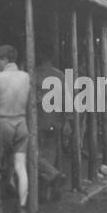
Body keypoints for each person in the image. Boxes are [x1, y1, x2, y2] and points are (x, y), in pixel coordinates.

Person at [0, 44, 30, 213]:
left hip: (3, 122)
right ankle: (22, 209)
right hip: (21, 123)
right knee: (20, 166)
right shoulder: (26, 77)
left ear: (5, 59)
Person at [33, 49, 66, 202]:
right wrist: (68, 121)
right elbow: (68, 101)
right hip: (56, 120)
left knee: (35, 155)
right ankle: (48, 192)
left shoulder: (34, 75)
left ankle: (53, 175)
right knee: (50, 154)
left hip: (39, 120)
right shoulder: (60, 76)